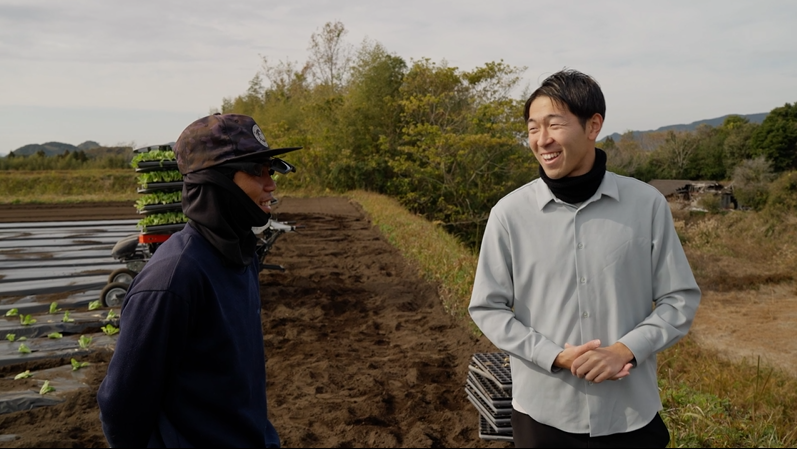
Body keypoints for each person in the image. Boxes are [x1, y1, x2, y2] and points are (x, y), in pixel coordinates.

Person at [468, 69, 701, 448]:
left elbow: (680, 300)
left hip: (630, 414)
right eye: (532, 128)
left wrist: (625, 350)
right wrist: (554, 355)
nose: (542, 140)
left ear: (593, 126)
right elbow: (488, 308)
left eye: (554, 125)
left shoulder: (646, 205)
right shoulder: (509, 214)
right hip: (543, 414)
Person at [97, 113, 301, 447]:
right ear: (215, 182)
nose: (271, 185)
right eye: (256, 171)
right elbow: (122, 408)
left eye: (271, 170)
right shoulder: (174, 280)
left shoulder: (240, 258)